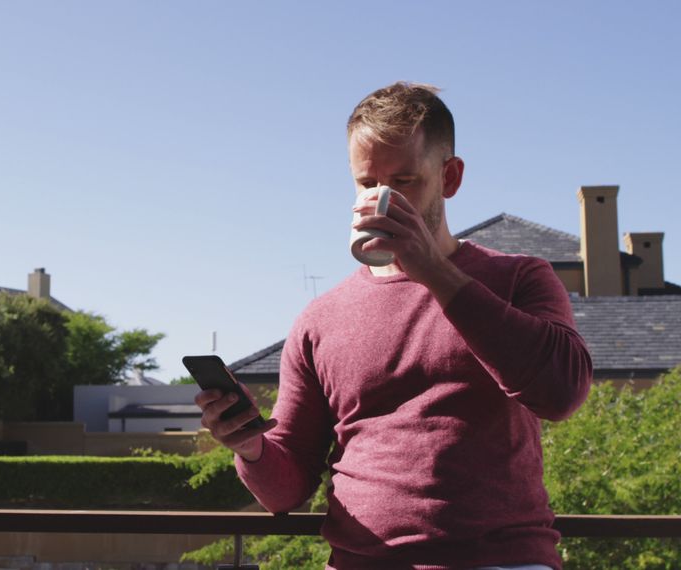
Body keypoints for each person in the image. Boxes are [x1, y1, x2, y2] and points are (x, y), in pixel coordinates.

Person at [195, 82, 593, 569]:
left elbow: (562, 393)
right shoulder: (320, 320)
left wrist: (432, 269)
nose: (381, 197)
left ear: (449, 177)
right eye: (367, 183)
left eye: (404, 181)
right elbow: (288, 489)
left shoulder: (519, 278)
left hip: (500, 558)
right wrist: (249, 446)